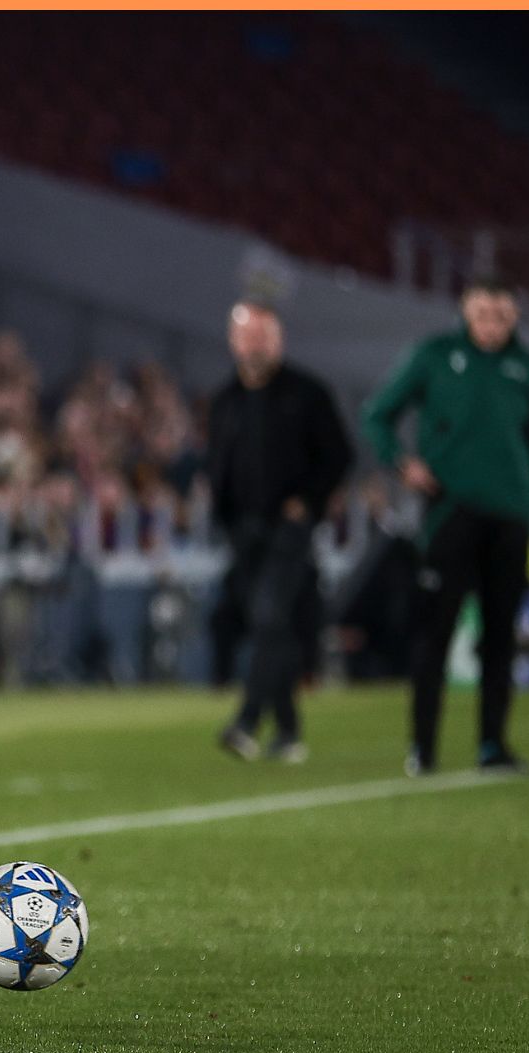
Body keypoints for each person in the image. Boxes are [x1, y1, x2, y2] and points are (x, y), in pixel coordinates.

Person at [362, 277, 529, 776]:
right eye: (482, 314)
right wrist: (401, 462)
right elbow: (378, 415)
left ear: (514, 316)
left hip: (512, 515)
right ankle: (422, 747)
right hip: (450, 511)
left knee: (500, 636)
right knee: (435, 631)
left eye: (500, 315)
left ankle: (492, 745)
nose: (491, 325)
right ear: (464, 311)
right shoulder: (433, 356)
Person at [205, 301, 352, 763]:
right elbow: (219, 465)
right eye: (248, 336)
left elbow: (339, 456)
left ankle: (247, 721)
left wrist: (306, 502)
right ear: (233, 341)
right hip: (242, 531)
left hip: (289, 531)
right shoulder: (225, 400)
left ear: (279, 341)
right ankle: (288, 731)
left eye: (264, 336)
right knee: (272, 628)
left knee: (269, 616)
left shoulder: (307, 393)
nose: (256, 345)